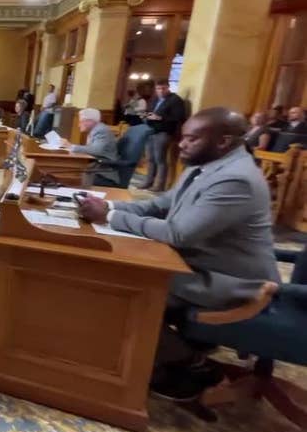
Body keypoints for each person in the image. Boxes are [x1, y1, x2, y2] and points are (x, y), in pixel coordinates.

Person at [77, 107, 279, 400]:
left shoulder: (236, 179)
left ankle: (190, 364)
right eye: (183, 137)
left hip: (229, 280)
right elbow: (159, 205)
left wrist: (109, 218)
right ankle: (150, 352)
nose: (181, 144)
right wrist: (109, 206)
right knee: (117, 272)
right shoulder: (205, 165)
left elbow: (178, 233)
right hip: (195, 263)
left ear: (223, 141)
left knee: (120, 284)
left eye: (191, 139)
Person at [141, 79, 185, 192]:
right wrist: (145, 115)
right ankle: (148, 182)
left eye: (163, 88)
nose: (160, 91)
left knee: (159, 159)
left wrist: (160, 118)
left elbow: (179, 117)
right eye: (158, 88)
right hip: (151, 131)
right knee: (150, 158)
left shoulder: (175, 100)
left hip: (164, 132)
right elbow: (148, 111)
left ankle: (159, 185)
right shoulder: (155, 99)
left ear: (168, 88)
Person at [60, 108, 119, 186]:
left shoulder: (101, 130)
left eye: (81, 122)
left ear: (90, 121)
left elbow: (96, 150)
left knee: (69, 176)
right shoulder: (96, 129)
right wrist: (71, 147)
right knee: (69, 173)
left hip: (103, 173)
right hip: (95, 168)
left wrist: (71, 146)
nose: (78, 125)